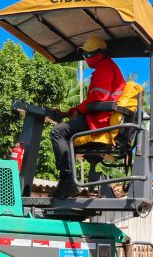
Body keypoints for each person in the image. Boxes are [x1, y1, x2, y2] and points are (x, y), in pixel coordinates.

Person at [50, 36, 125, 198]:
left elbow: (99, 99)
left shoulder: (105, 68)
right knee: (64, 131)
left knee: (58, 132)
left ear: (100, 53)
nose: (88, 59)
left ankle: (67, 181)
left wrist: (78, 111)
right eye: (86, 56)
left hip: (99, 120)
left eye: (90, 55)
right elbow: (93, 100)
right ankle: (68, 181)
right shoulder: (107, 67)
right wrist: (69, 112)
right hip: (98, 116)